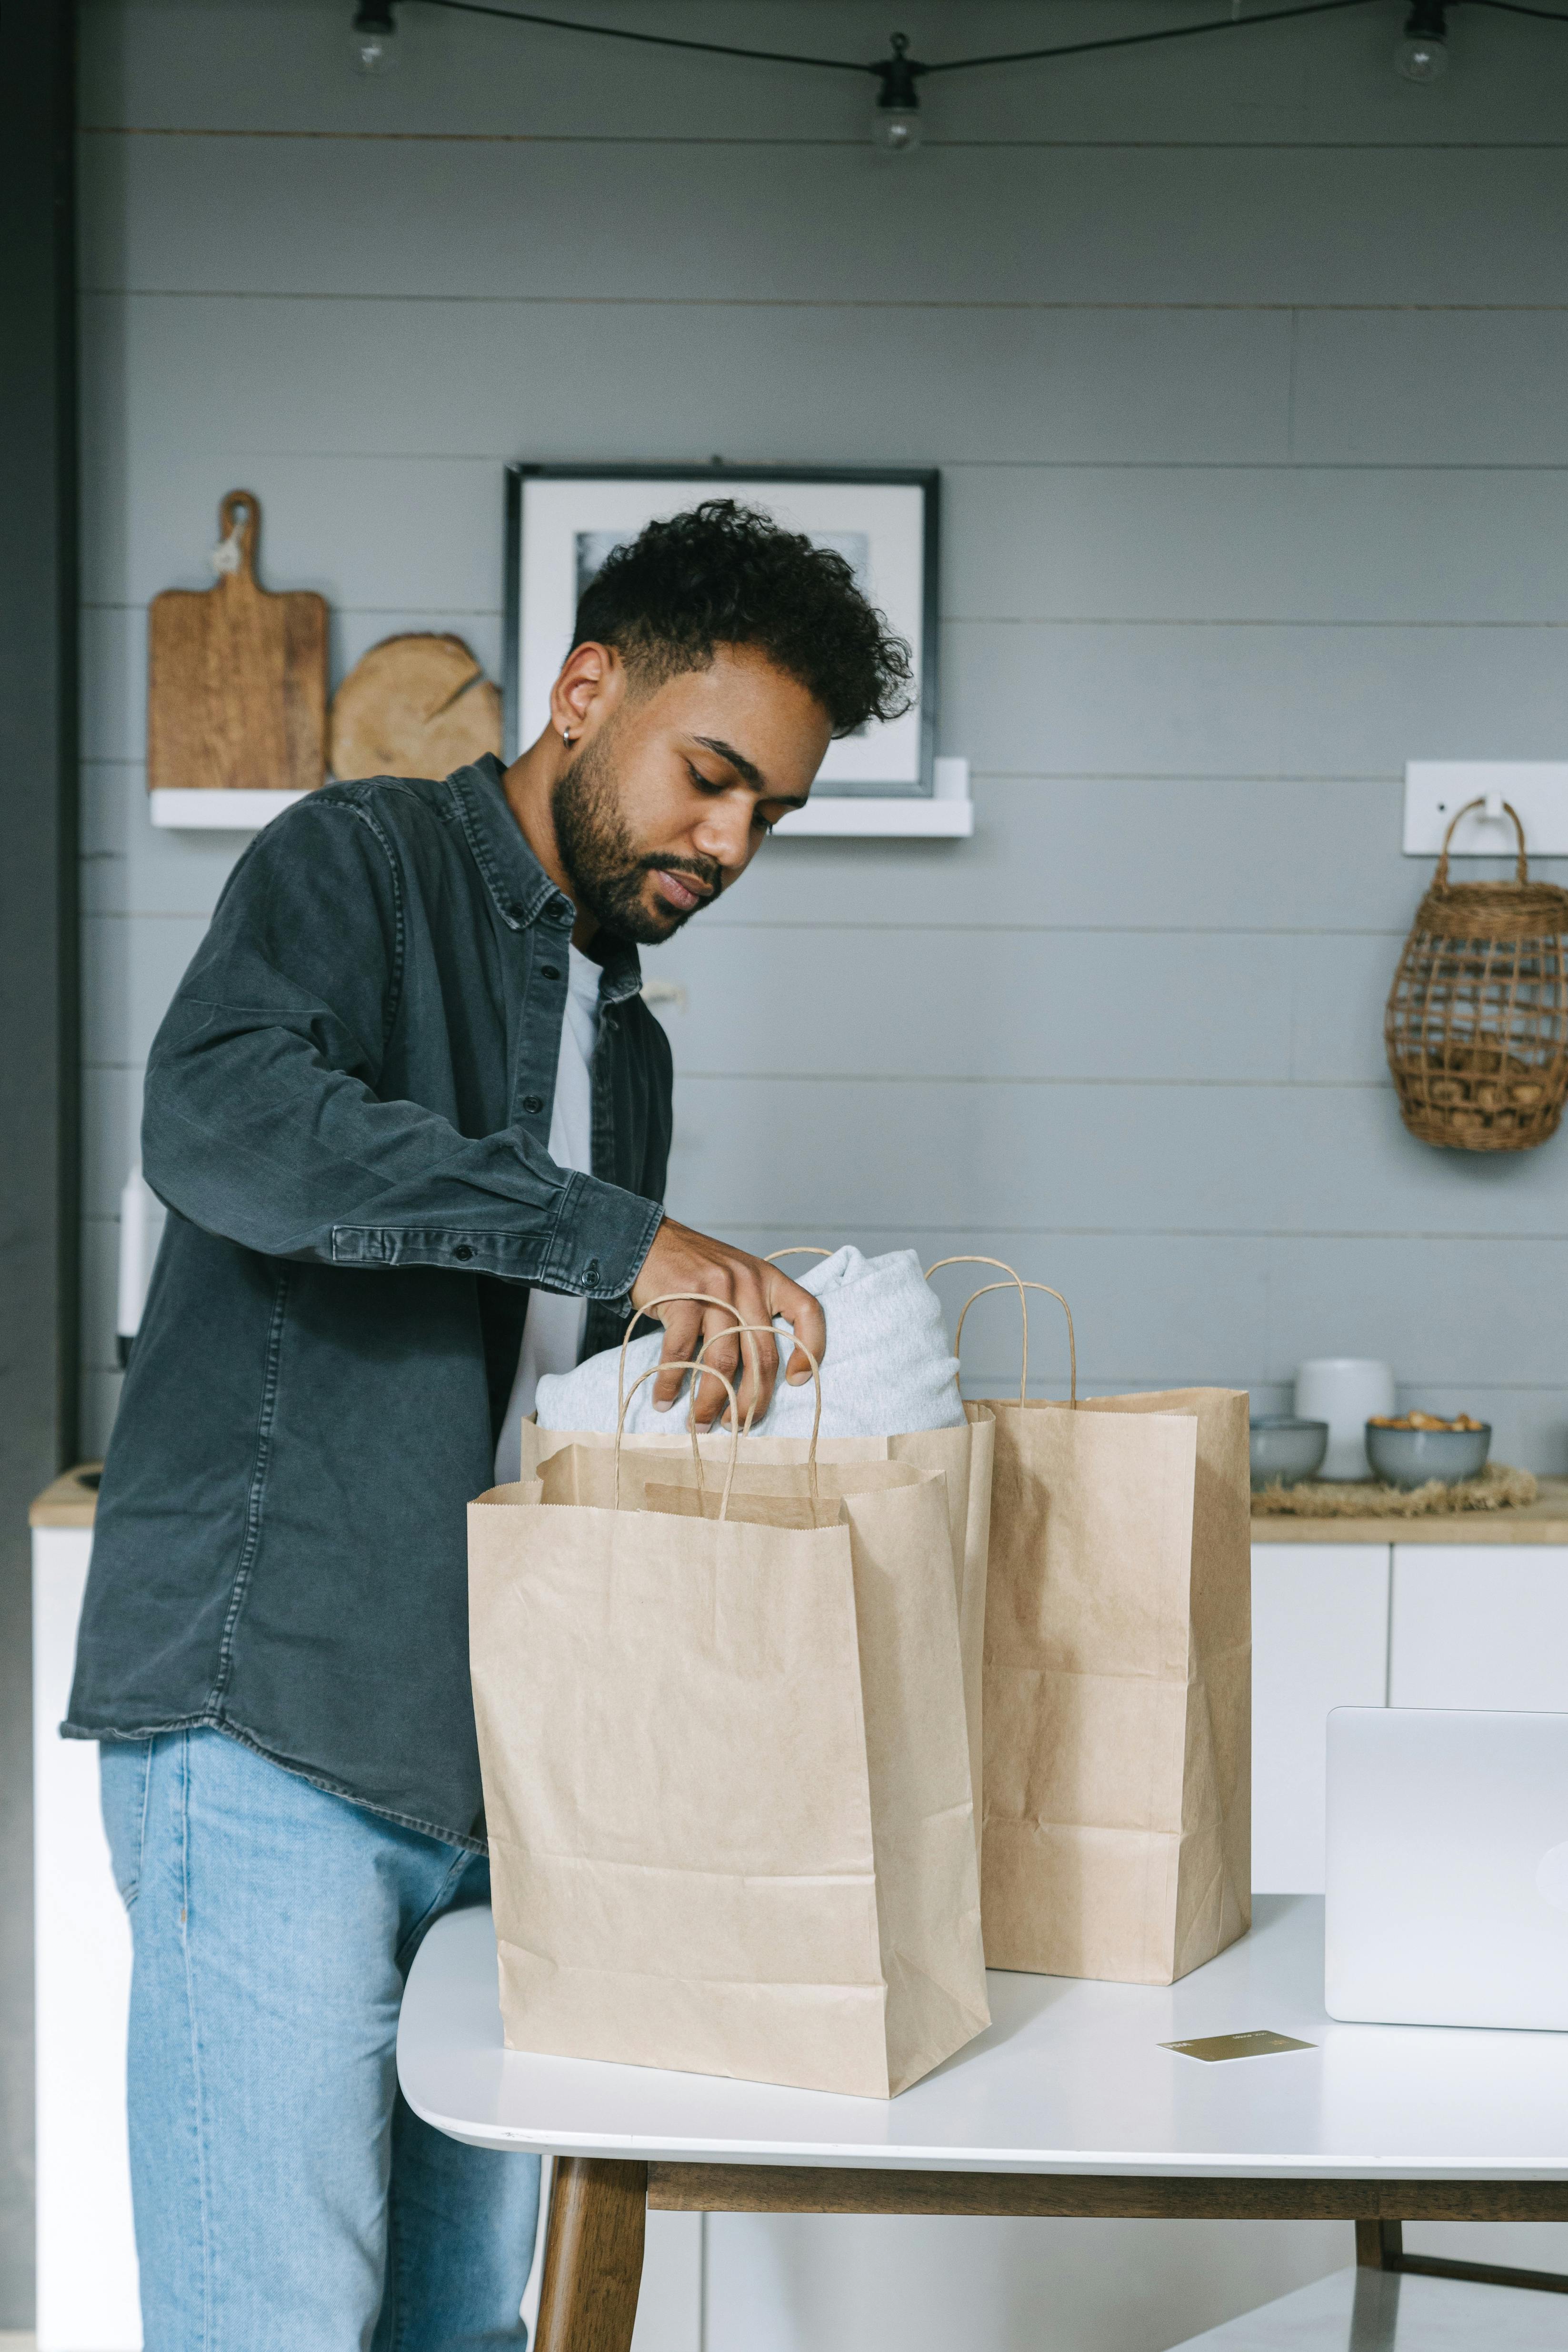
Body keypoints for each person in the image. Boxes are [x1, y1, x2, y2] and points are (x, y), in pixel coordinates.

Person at [65, 500, 912, 2350]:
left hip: (504, 1765)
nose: (725, 839)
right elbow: (220, 1122)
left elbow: (562, 1385)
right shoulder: (353, 860)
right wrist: (622, 1236)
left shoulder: (626, 1037)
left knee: (460, 2320)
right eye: (707, 777)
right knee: (270, 2321)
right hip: (268, 1711)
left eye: (767, 811)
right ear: (584, 686)